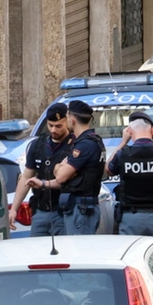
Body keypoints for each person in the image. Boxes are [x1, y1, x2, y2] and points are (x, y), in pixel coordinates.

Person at [106, 112, 153, 241]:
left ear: (129, 131)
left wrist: (123, 142)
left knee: (131, 257)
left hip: (132, 218)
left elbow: (108, 169)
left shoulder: (123, 154)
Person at [9, 103, 72, 236]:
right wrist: (14, 208)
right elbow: (26, 177)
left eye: (58, 126)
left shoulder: (75, 144)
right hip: (41, 211)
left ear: (67, 122)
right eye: (50, 125)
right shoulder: (38, 145)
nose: (53, 130)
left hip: (65, 212)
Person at [50, 100, 106, 235]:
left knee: (79, 251)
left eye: (67, 116)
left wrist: (60, 168)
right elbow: (59, 170)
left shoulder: (85, 144)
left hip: (81, 209)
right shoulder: (90, 141)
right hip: (81, 208)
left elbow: (60, 177)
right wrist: (60, 167)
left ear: (72, 119)